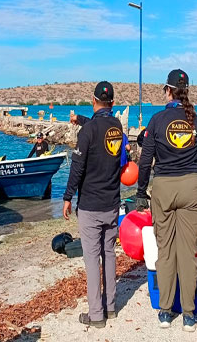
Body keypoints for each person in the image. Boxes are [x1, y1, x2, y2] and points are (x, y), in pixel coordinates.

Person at [136, 69, 197, 332]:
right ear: (186, 91)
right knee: (188, 253)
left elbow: (146, 161)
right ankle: (189, 315)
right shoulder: (196, 122)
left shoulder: (157, 120)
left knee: (165, 252)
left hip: (164, 187)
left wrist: (140, 191)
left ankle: (166, 311)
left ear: (168, 90)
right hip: (192, 186)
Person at [62, 81, 124, 329]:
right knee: (109, 254)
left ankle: (96, 314)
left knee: (91, 259)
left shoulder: (87, 133)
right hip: (111, 203)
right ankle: (110, 307)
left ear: (93, 99)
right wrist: (81, 119)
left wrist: (67, 197)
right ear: (113, 103)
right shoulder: (117, 126)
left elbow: (77, 168)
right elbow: (99, 128)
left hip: (90, 205)